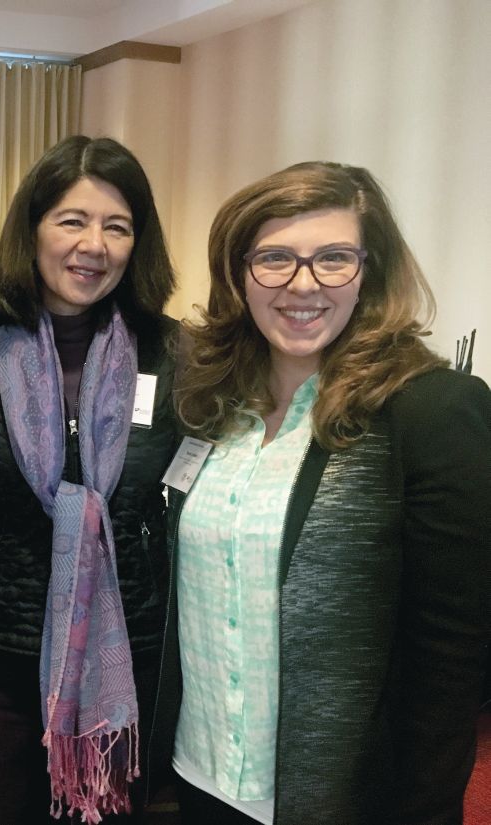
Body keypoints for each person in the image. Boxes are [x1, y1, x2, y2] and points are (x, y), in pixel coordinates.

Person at [161, 161, 491, 824]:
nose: (302, 283)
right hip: (198, 775)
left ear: (370, 268)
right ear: (238, 272)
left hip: (344, 801)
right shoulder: (208, 403)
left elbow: (452, 659)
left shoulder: (431, 412)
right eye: (274, 258)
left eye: (333, 258)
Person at [0, 135, 180, 824]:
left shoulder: (173, 354)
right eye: (72, 220)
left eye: (118, 225)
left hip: (124, 656)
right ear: (33, 229)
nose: (93, 244)